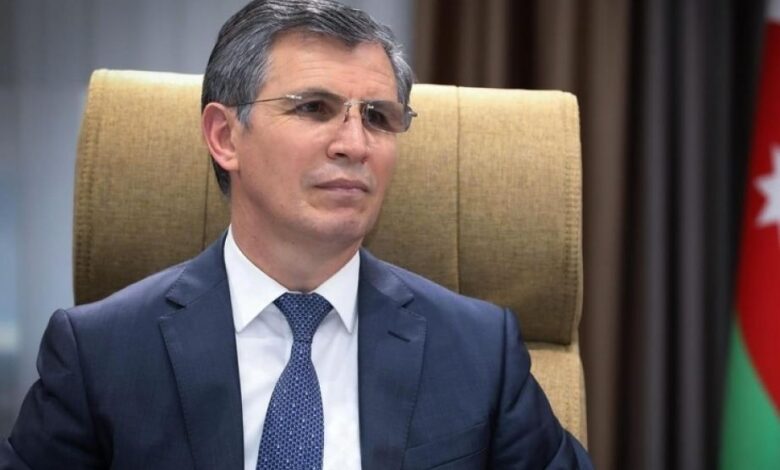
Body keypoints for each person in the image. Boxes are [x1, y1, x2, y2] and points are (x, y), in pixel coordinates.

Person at [0, 0, 593, 468]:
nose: (354, 144)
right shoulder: (99, 353)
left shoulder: (479, 350)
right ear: (225, 137)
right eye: (313, 107)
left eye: (378, 117)